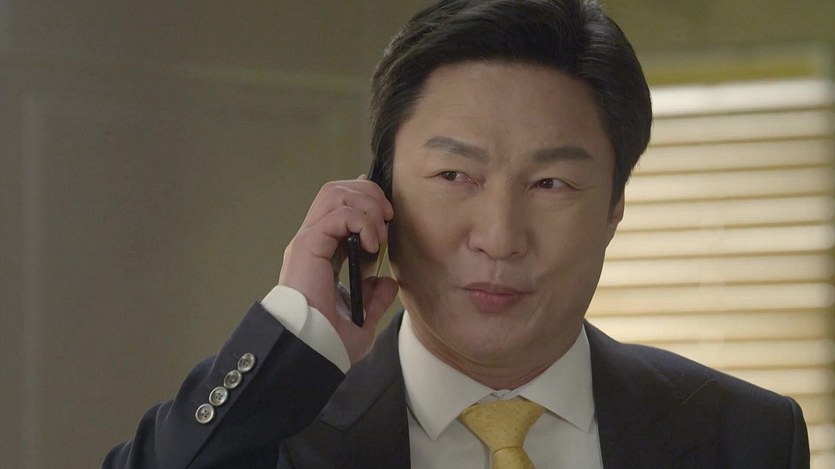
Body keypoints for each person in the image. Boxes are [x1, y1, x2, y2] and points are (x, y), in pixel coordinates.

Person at [103, 0, 810, 468]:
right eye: (453, 175)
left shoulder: (743, 436)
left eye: (550, 184)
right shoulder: (276, 432)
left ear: (615, 208)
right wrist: (294, 329)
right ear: (379, 193)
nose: (499, 238)